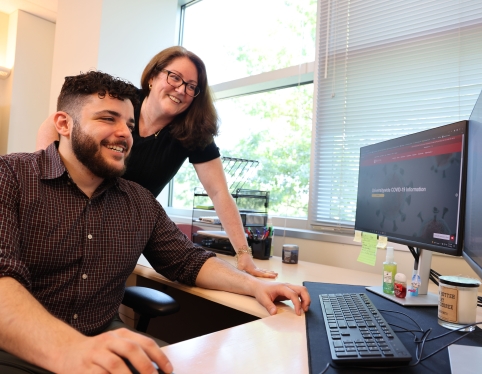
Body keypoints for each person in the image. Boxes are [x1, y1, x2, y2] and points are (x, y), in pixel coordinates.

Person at [0, 71, 310, 374]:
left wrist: (253, 285)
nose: (125, 133)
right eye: (108, 118)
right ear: (64, 124)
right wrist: (70, 349)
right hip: (17, 348)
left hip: (104, 337)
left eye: (129, 124)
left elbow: (187, 260)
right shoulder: (11, 177)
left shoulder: (138, 201)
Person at [37, 46, 278, 280]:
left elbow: (218, 193)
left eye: (191, 86)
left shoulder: (193, 133)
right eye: (175, 78)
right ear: (153, 77)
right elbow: (56, 122)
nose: (181, 89)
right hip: (76, 211)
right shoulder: (125, 101)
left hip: (121, 227)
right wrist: (51, 182)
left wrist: (244, 254)